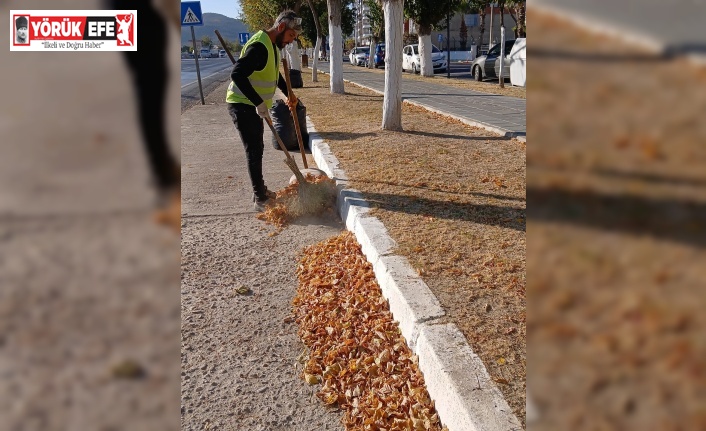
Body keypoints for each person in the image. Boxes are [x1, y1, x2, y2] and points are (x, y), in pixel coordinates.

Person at [106, 0, 181, 231]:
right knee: (150, 100)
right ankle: (162, 182)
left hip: (120, 18)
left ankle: (158, 175)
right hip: (138, 20)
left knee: (144, 99)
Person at [226, 10, 300, 211]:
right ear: (281, 27)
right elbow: (237, 74)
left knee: (257, 148)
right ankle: (260, 199)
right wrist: (258, 102)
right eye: (291, 36)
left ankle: (260, 190)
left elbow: (275, 75)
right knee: (254, 150)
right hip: (242, 104)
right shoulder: (260, 46)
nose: (291, 42)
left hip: (251, 105)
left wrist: (289, 94)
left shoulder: (273, 46)